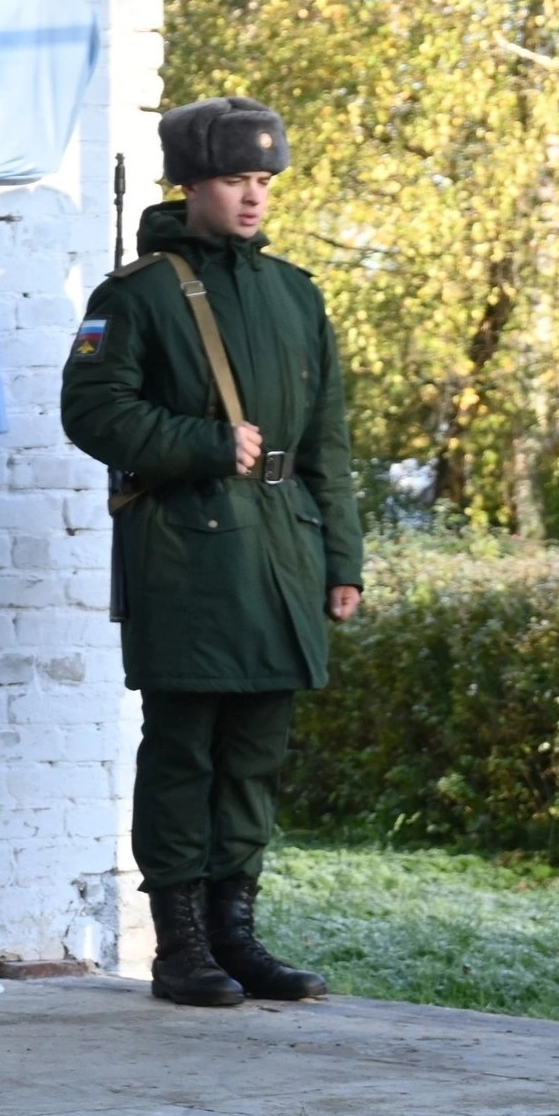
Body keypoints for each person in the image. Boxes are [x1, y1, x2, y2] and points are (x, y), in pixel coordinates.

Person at [60, 96, 361, 1008]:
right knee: (185, 745)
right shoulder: (138, 293)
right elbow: (91, 410)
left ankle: (237, 931)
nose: (253, 196)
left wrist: (342, 560)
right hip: (185, 551)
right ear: (190, 182)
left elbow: (329, 444)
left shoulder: (295, 294)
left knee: (257, 749)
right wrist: (198, 442)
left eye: (264, 180)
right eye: (236, 179)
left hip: (282, 550)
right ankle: (181, 942)